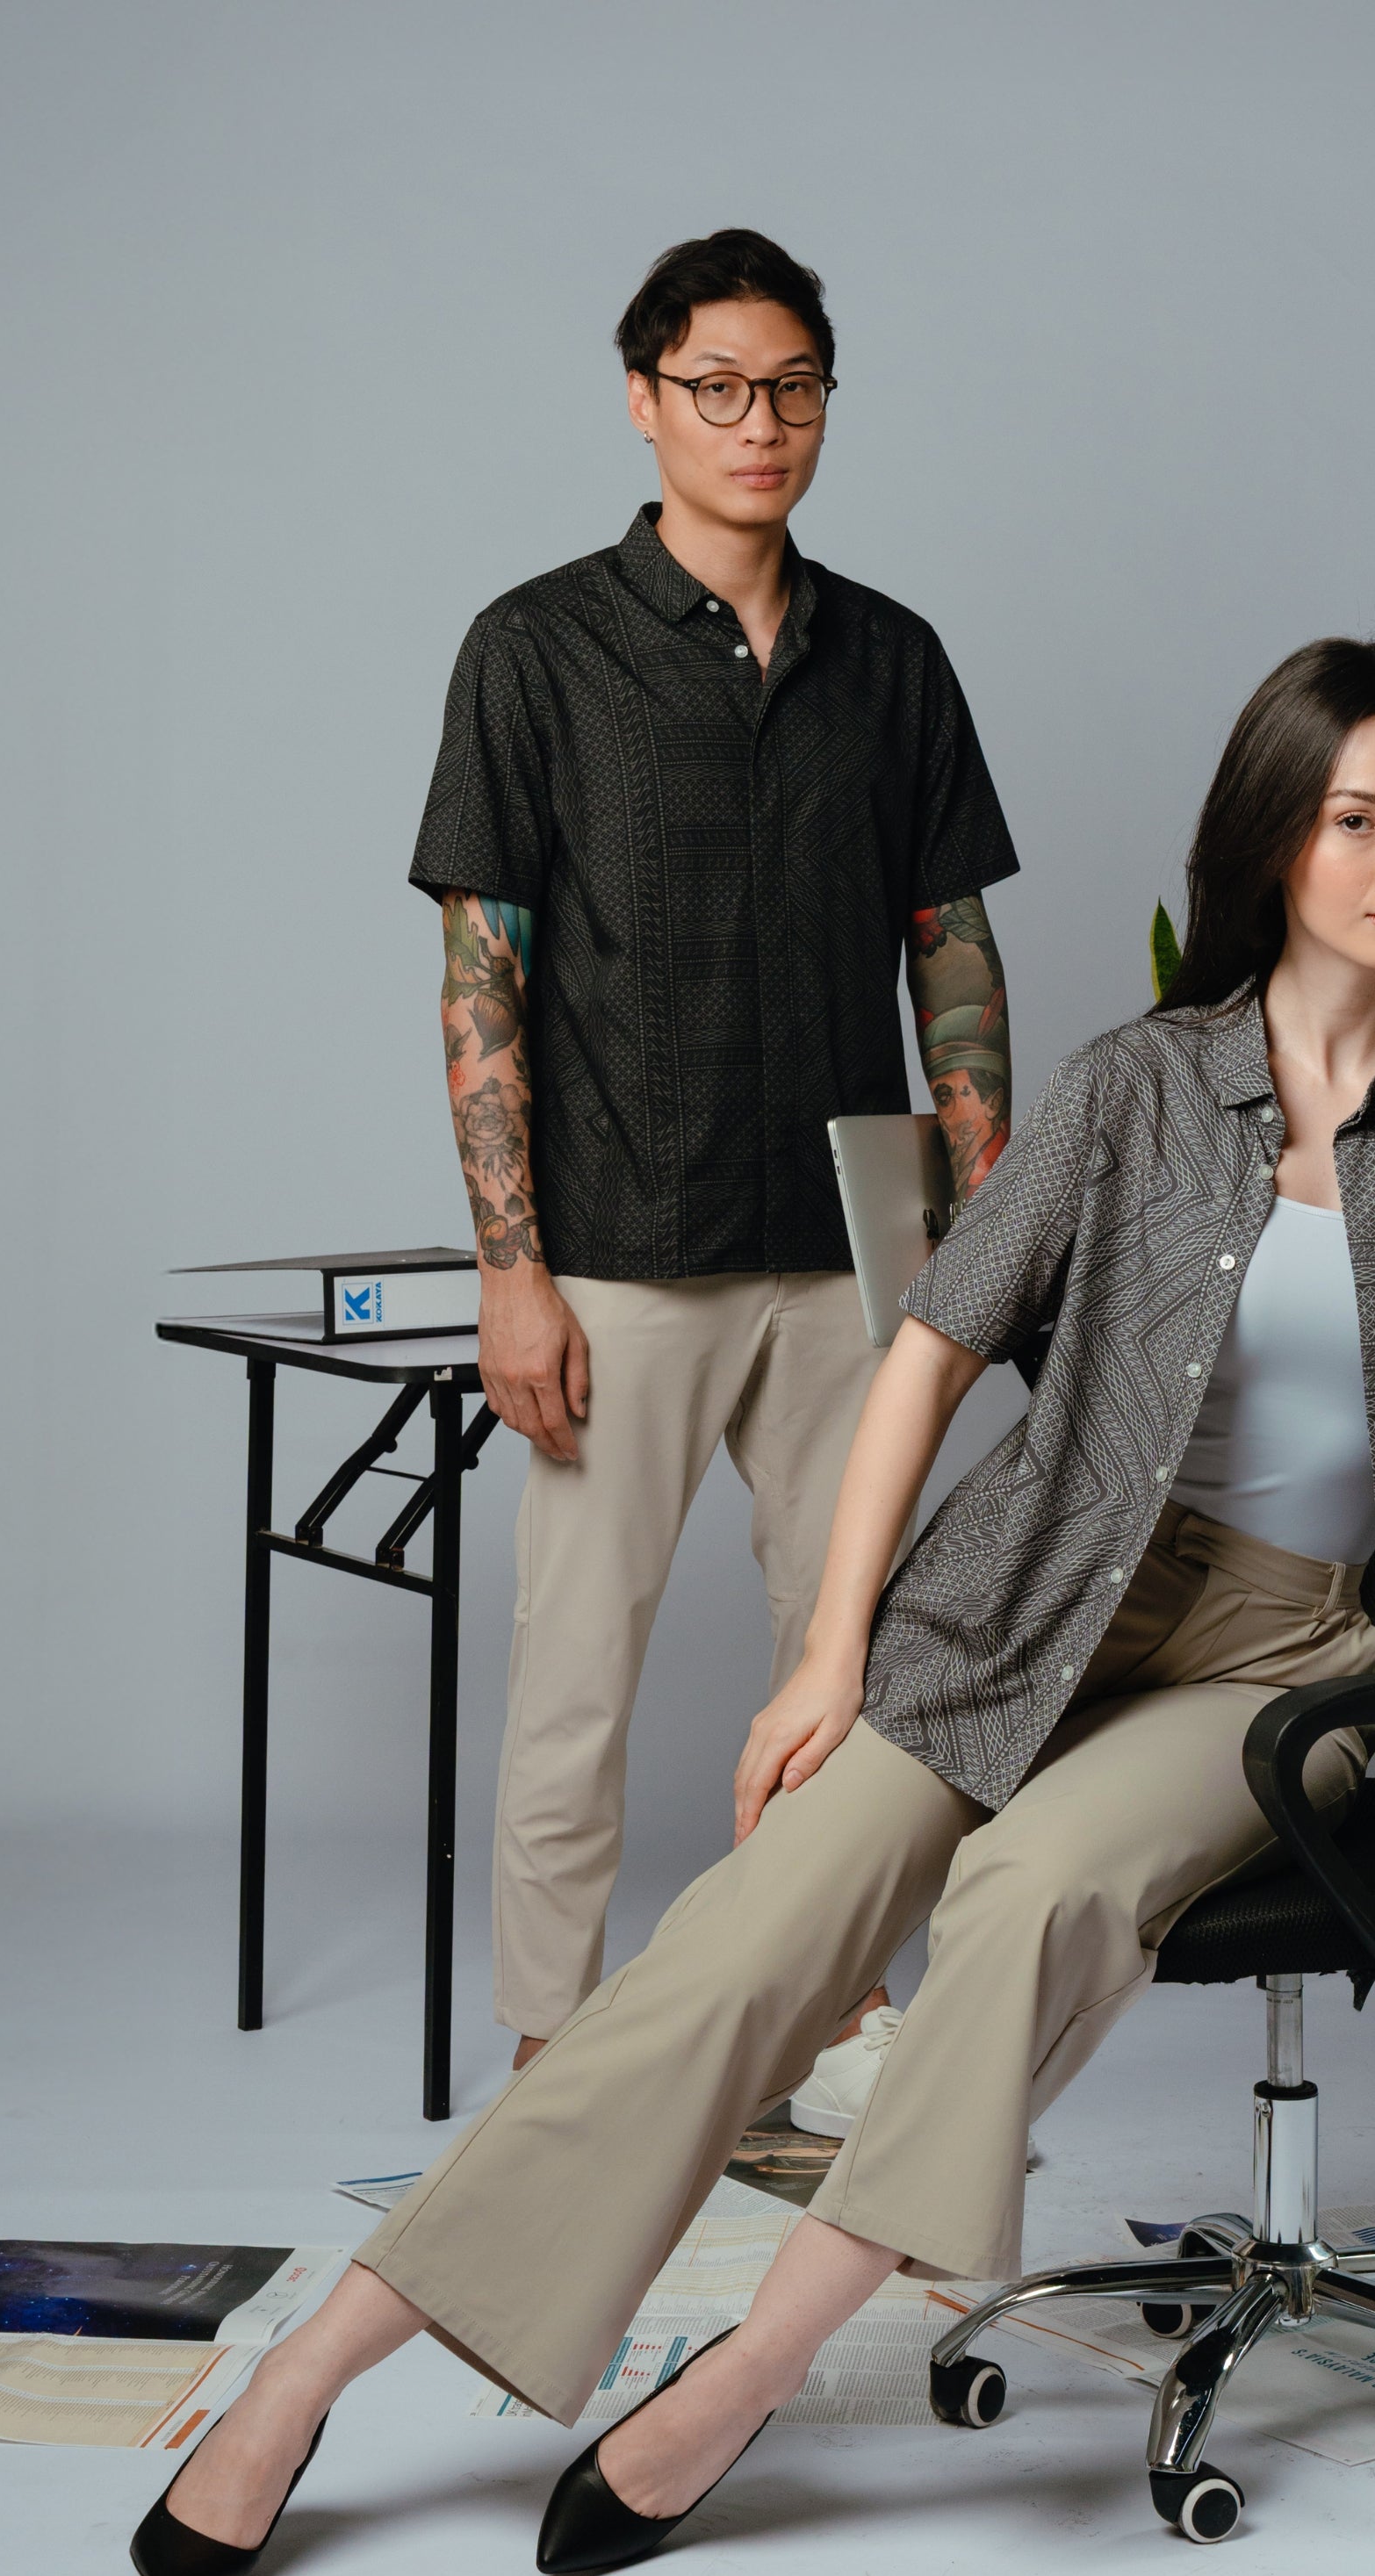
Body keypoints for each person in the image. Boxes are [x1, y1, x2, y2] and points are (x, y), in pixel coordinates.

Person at [132, 640, 1375, 2576]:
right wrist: (830, 1651)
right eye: (1356, 820)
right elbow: (929, 1346)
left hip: (1308, 1651)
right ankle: (310, 2371)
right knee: (733, 1947)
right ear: (1276, 839)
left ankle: (749, 2375)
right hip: (1045, 1596)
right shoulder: (1137, 1084)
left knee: (1031, 1891)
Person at [424, 229, 1019, 2089]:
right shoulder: (536, 650)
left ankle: (829, 2013)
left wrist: (989, 1209)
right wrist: (511, 1271)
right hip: (619, 1244)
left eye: (795, 388)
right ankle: (550, 2052)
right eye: (718, 388)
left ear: (827, 402)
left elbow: (950, 944)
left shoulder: (893, 659)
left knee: (856, 1659)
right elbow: (481, 974)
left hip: (856, 1251)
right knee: (573, 1674)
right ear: (644, 399)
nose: (760, 424)